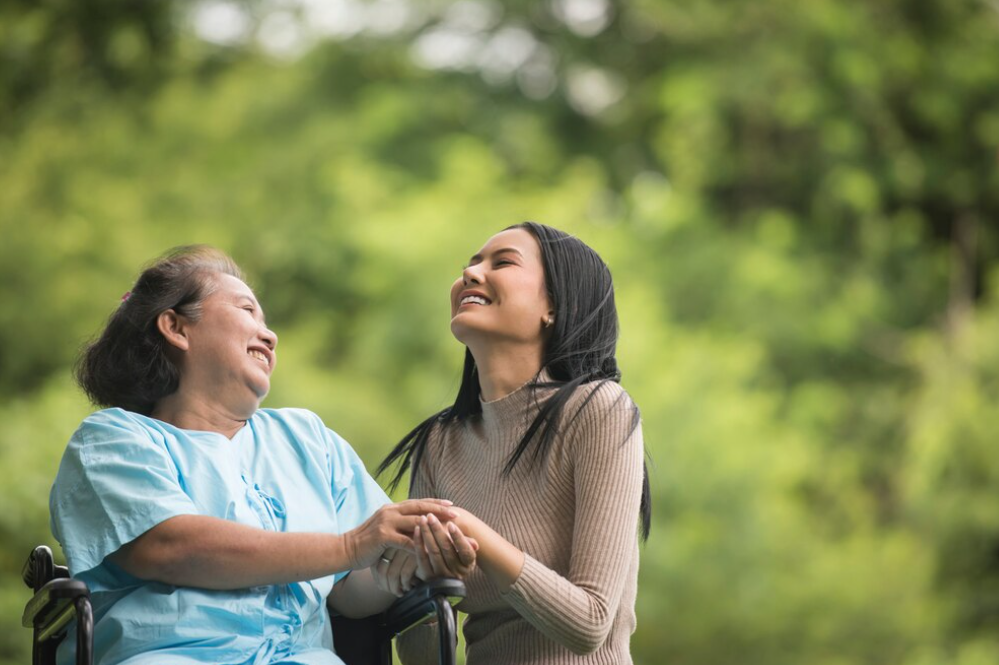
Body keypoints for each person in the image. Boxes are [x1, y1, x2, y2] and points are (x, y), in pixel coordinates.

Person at [49, 246, 470, 665]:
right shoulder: (113, 439)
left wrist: (410, 563)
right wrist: (351, 544)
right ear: (176, 327)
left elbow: (351, 592)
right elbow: (169, 547)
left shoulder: (308, 439)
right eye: (246, 310)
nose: (269, 335)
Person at [376, 223, 651, 664]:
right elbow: (429, 652)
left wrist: (473, 532)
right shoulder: (439, 444)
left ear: (556, 307)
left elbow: (590, 624)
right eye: (469, 264)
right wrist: (424, 589)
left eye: (501, 262)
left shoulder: (599, 409)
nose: (470, 274)